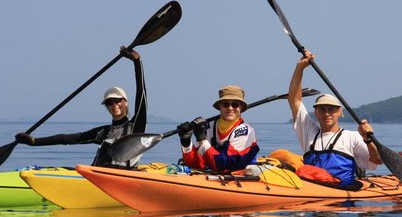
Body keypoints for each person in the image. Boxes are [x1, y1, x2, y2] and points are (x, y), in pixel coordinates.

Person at [14, 47, 147, 167]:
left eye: (117, 100)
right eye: (109, 102)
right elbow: (67, 139)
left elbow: (141, 94)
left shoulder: (136, 126)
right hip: (95, 177)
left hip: (121, 180)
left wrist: (137, 61)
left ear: (126, 102)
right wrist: (34, 141)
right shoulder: (103, 132)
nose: (114, 105)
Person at [287, 50, 381, 190]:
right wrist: (300, 67)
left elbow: (377, 160)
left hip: (342, 194)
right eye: (322, 109)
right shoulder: (308, 131)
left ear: (339, 112)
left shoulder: (352, 137)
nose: (327, 113)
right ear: (316, 112)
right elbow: (294, 99)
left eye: (331, 109)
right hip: (311, 189)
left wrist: (369, 140)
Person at [176, 85, 259, 173]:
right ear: (220, 106)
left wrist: (201, 138)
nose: (230, 108)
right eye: (226, 104)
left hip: (238, 176)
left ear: (241, 107)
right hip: (214, 174)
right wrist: (186, 141)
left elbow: (223, 166)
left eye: (235, 105)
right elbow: (196, 163)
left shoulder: (244, 131)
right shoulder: (209, 126)